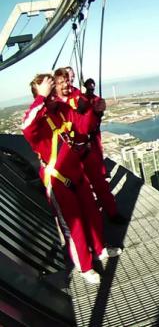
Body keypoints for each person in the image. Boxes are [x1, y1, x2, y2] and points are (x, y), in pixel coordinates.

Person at [22, 74, 122, 284]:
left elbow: (82, 128)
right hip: (58, 180)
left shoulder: (62, 111)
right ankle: (85, 267)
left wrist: (95, 112)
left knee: (92, 214)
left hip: (77, 173)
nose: (52, 98)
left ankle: (99, 250)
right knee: (73, 225)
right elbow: (27, 125)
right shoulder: (37, 123)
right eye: (48, 93)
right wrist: (41, 98)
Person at [55, 69, 128, 224]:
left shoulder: (79, 97)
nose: (69, 82)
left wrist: (96, 111)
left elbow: (88, 123)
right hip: (69, 153)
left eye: (70, 79)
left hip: (84, 148)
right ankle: (92, 218)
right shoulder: (56, 102)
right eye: (66, 79)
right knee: (81, 188)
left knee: (99, 182)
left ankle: (112, 213)